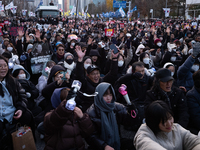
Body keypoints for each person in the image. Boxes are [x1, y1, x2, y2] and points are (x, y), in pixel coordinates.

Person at [86, 82, 136, 150]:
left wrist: (132, 112)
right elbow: (91, 136)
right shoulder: (92, 113)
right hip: (99, 146)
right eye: (105, 95)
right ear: (99, 95)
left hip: (116, 140)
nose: (109, 98)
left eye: (110, 94)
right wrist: (104, 146)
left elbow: (129, 123)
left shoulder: (116, 107)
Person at [134, 100, 200, 150]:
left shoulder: (176, 128)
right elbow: (148, 146)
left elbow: (195, 142)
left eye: (170, 118)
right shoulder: (143, 133)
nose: (169, 123)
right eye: (164, 121)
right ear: (154, 122)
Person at [0, 55, 33, 149]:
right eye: (0, 66)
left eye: (5, 65)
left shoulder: (14, 82)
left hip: (12, 112)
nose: (3, 68)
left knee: (27, 115)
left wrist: (20, 109)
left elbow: (22, 97)